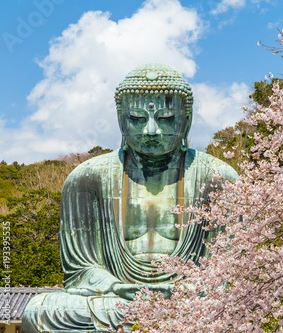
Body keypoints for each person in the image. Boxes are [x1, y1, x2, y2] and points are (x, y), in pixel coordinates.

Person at [22, 64, 238, 332]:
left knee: (240, 306)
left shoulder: (217, 177)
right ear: (120, 119)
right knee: (40, 311)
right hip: (116, 300)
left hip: (191, 301)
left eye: (166, 117)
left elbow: (229, 270)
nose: (150, 130)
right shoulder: (87, 179)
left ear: (187, 118)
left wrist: (189, 289)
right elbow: (81, 270)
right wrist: (115, 287)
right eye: (136, 118)